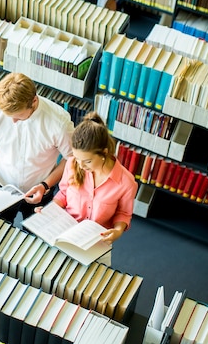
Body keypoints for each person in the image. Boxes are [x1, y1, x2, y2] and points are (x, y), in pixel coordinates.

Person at [0, 72, 74, 223]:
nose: (13, 121)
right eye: (8, 115)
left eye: (18, 115)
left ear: (34, 101)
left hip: (40, 191)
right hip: (2, 187)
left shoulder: (59, 122)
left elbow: (70, 159)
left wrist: (46, 184)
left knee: (34, 240)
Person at [41, 112, 137, 263]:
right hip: (66, 234)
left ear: (104, 153)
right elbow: (64, 194)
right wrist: (50, 210)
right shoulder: (72, 164)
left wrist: (118, 231)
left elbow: (123, 213)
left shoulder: (126, 182)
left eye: (87, 161)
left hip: (97, 243)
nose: (80, 165)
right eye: (77, 159)